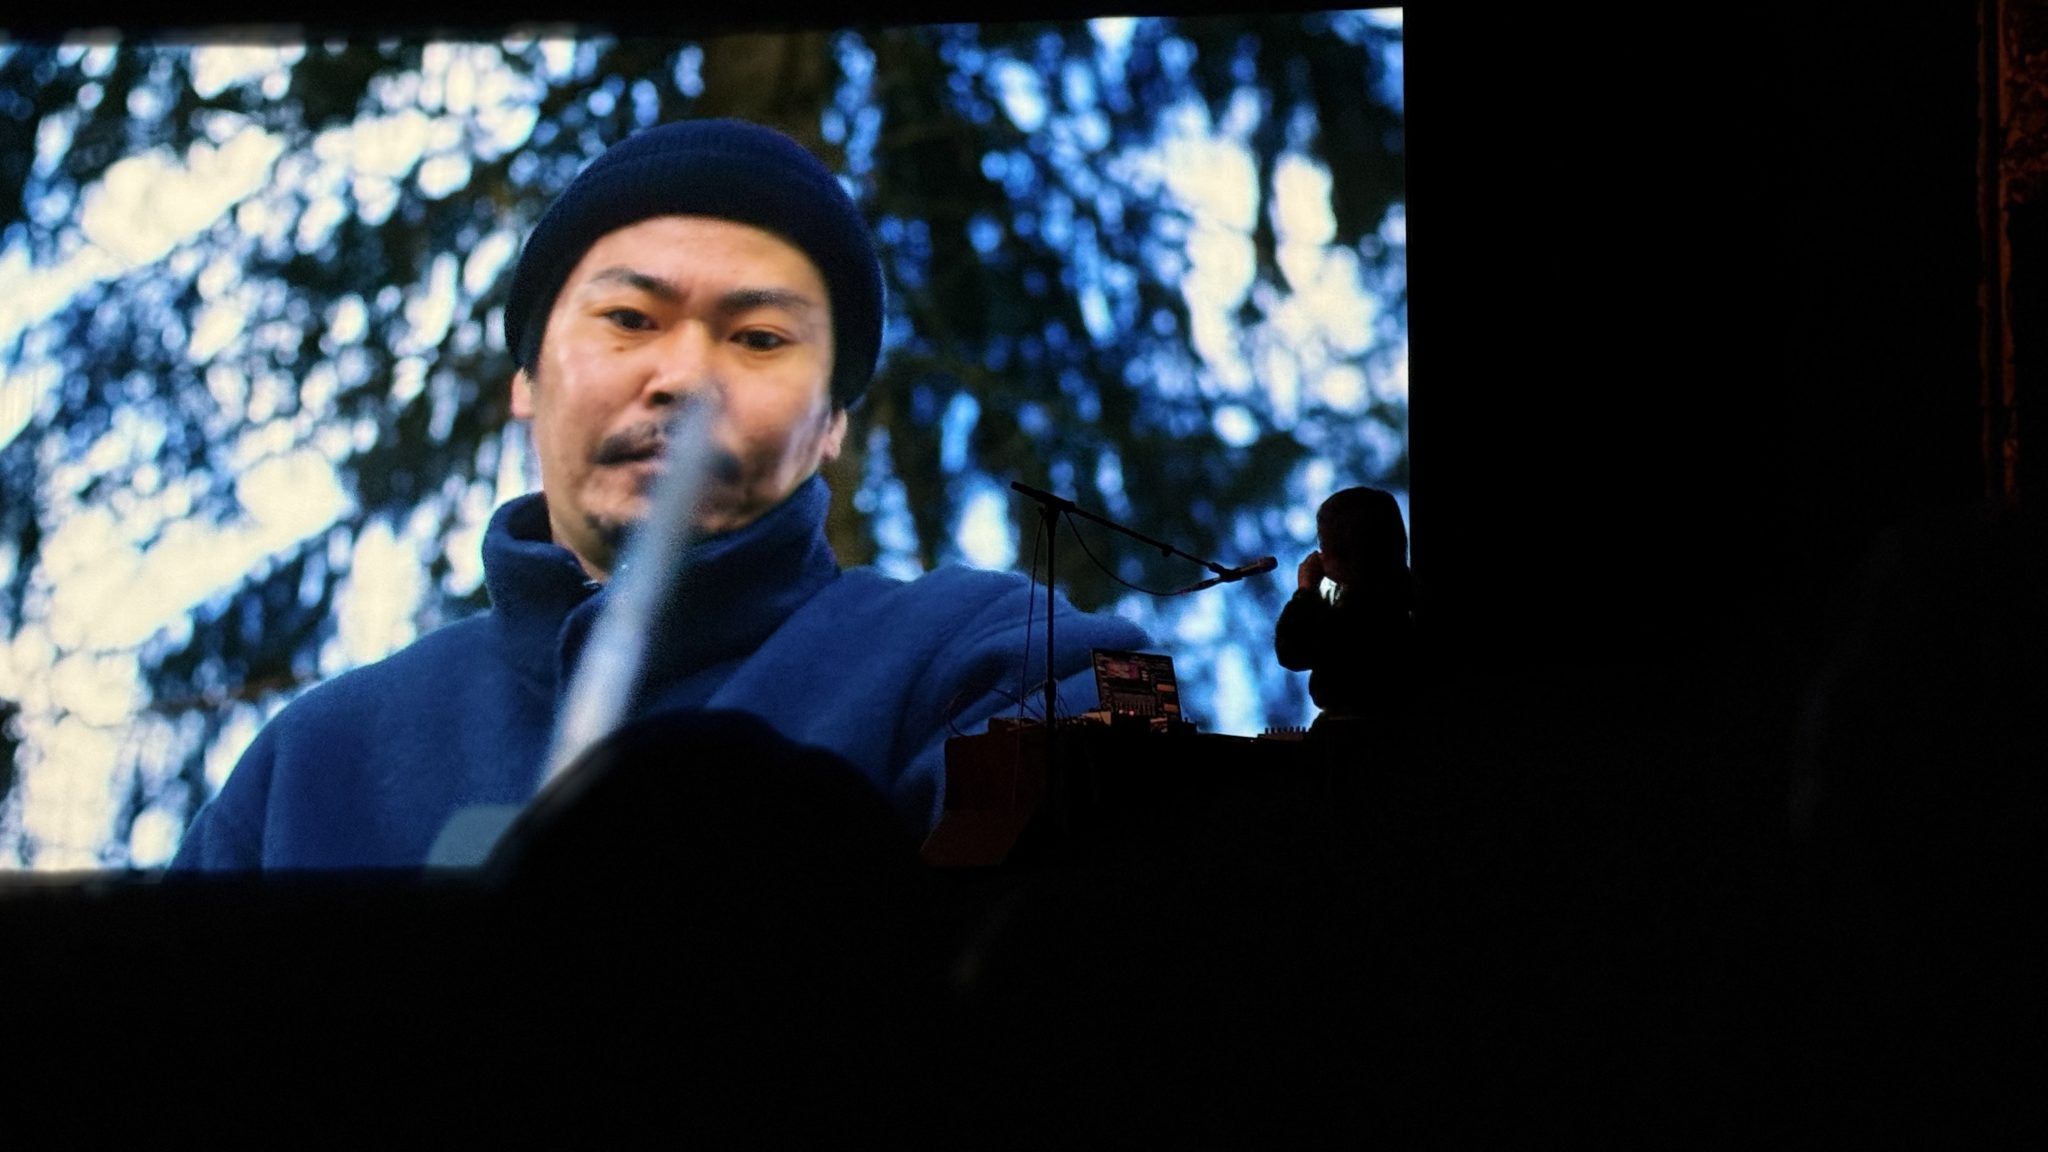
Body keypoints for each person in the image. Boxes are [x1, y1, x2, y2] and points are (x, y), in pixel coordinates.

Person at [171, 118, 1150, 871]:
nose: (686, 378)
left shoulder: (995, 657)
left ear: (830, 426)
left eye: (759, 338)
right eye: (630, 318)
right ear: (526, 379)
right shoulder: (311, 766)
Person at [1274, 486, 1417, 743]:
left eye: (1324, 541)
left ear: (1345, 547)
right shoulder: (1403, 598)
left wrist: (1305, 591)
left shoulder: (1362, 610)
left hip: (1348, 746)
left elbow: (1292, 651)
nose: (1321, 553)